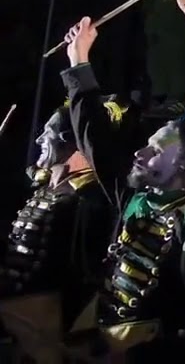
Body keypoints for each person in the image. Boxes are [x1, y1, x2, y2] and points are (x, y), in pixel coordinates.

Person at [58, 17, 185, 360]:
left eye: (156, 149)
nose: (140, 153)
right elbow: (95, 139)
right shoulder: (136, 198)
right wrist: (79, 59)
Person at [0, 106, 113, 363]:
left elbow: (86, 273)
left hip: (41, 322)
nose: (39, 140)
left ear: (71, 141)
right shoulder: (49, 185)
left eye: (48, 132)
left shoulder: (88, 199)